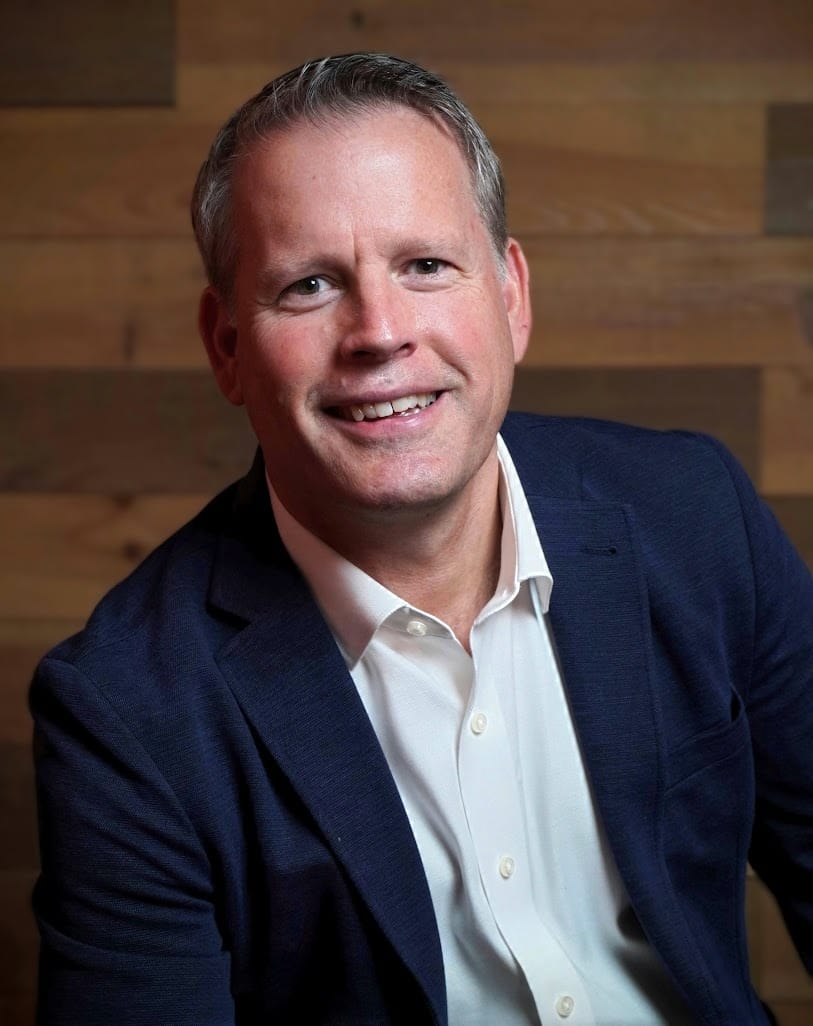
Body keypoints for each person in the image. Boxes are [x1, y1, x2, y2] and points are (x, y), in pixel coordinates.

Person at [30, 52, 812, 1026]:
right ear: (227, 347)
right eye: (310, 284)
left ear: (511, 296)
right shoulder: (125, 707)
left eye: (426, 266)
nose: (379, 331)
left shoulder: (694, 515)